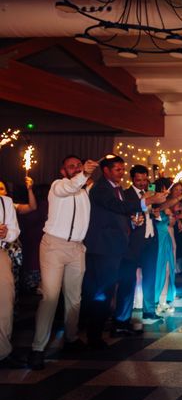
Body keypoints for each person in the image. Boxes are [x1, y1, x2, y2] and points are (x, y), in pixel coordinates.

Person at [83, 155, 167, 349]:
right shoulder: (101, 189)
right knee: (102, 292)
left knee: (110, 289)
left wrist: (132, 221)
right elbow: (115, 206)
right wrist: (148, 201)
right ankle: (94, 335)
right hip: (104, 247)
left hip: (117, 246)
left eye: (122, 169)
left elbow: (119, 213)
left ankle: (108, 328)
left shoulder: (116, 189)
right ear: (106, 171)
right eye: (117, 170)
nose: (121, 173)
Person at [28, 156, 98, 370]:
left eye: (79, 166)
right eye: (72, 167)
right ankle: (38, 349)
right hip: (54, 246)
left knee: (74, 298)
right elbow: (69, 188)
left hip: (77, 248)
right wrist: (84, 175)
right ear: (63, 171)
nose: (76, 168)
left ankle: (71, 337)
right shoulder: (58, 186)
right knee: (50, 297)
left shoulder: (85, 191)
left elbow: (84, 187)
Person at [114, 164, 161, 331]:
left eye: (144, 179)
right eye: (138, 180)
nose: (142, 183)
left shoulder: (151, 193)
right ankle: (122, 317)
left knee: (150, 275)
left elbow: (155, 211)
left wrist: (157, 211)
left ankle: (149, 310)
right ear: (132, 179)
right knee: (127, 279)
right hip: (132, 243)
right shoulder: (126, 195)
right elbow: (123, 214)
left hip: (150, 240)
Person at [0, 188, 21, 368]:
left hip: (0, 252)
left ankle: (3, 352)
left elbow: (14, 230)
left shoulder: (5, 202)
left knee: (6, 302)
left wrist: (6, 233)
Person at [153, 178, 177, 315]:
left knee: (168, 269)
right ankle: (155, 301)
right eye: (164, 189)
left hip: (166, 238)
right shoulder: (155, 204)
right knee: (158, 270)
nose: (166, 192)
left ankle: (163, 301)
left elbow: (170, 224)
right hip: (157, 240)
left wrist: (172, 218)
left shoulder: (166, 205)